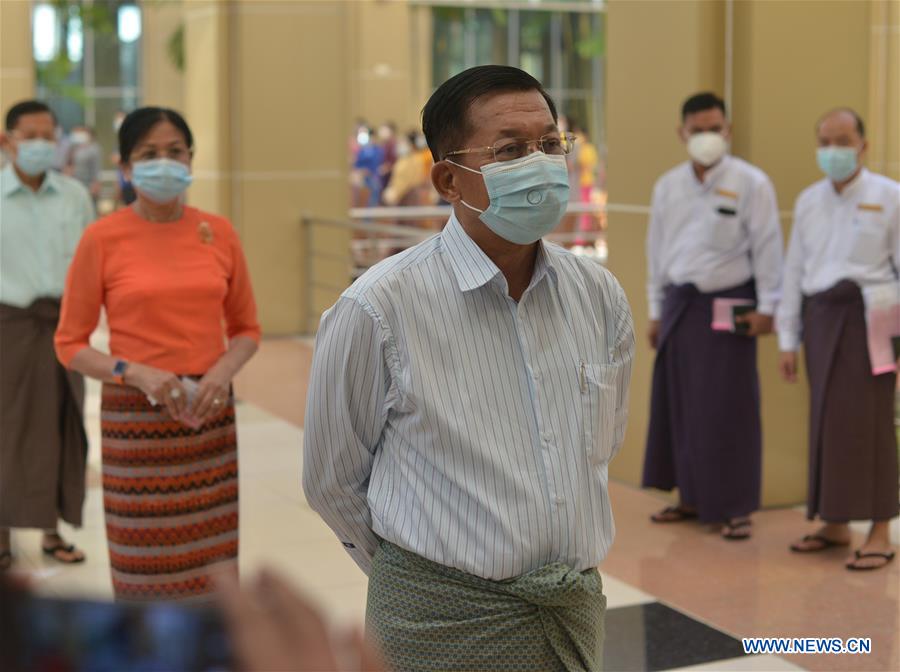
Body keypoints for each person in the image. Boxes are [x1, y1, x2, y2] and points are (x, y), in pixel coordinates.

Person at [304, 65, 634, 672]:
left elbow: (600, 443)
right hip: (435, 625)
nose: (539, 163)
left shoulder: (599, 295)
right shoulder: (378, 308)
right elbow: (331, 478)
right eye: (510, 150)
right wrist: (429, 578)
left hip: (567, 614)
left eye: (549, 145)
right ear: (449, 179)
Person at [54, 106, 261, 601]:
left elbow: (247, 329)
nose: (163, 163)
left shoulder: (219, 232)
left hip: (208, 418)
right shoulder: (102, 238)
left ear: (191, 159)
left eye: (174, 152)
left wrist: (220, 374)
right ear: (125, 167)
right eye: (149, 154)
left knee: (214, 573)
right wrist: (134, 372)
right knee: (141, 570)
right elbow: (70, 345)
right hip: (135, 422)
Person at [642, 92, 784, 540]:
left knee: (730, 406)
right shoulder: (668, 185)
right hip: (680, 305)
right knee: (681, 403)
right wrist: (655, 311)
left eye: (715, 128)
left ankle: (735, 506)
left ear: (728, 130)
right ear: (682, 133)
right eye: (698, 129)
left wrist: (769, 309)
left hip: (730, 303)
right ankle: (689, 497)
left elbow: (768, 248)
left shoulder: (751, 182)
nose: (707, 137)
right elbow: (655, 251)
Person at [777, 108, 899, 571]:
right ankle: (835, 522)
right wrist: (789, 339)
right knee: (827, 422)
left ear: (863, 145)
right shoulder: (809, 200)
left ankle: (882, 529)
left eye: (843, 140)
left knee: (872, 426)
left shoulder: (890, 197)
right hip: (822, 319)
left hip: (872, 318)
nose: (834, 150)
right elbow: (794, 272)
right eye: (825, 141)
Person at [0, 100, 95, 572]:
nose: (39, 144)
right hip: (7, 329)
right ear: (7, 141)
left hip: (63, 328)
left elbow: (92, 265)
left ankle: (52, 532)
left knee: (62, 426)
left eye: (47, 135)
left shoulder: (74, 196)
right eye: (28, 135)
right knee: (6, 430)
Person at [66, 125, 102, 204]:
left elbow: (96, 168)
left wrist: (95, 184)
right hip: (74, 184)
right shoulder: (73, 148)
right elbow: (68, 164)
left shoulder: (93, 149)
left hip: (88, 185)